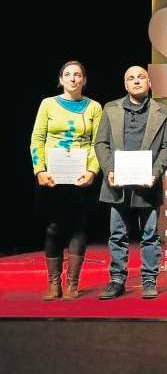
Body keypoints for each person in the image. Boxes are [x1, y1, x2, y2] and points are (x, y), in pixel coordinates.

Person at [94, 66, 167, 299]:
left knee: (149, 234)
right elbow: (101, 143)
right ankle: (117, 280)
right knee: (117, 234)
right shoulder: (111, 108)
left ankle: (149, 279)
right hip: (117, 182)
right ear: (125, 84)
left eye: (141, 77)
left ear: (149, 82)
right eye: (131, 78)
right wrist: (109, 169)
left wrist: (156, 172)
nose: (136, 81)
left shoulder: (163, 111)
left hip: (147, 183)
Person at [30, 60, 102, 300]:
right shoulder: (47, 104)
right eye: (68, 74)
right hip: (52, 177)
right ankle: (53, 284)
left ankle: (72, 284)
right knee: (53, 228)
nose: (73, 78)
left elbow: (97, 144)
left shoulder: (94, 107)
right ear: (61, 79)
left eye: (78, 75)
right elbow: (37, 140)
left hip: (81, 178)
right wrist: (40, 170)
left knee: (78, 228)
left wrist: (92, 172)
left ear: (84, 80)